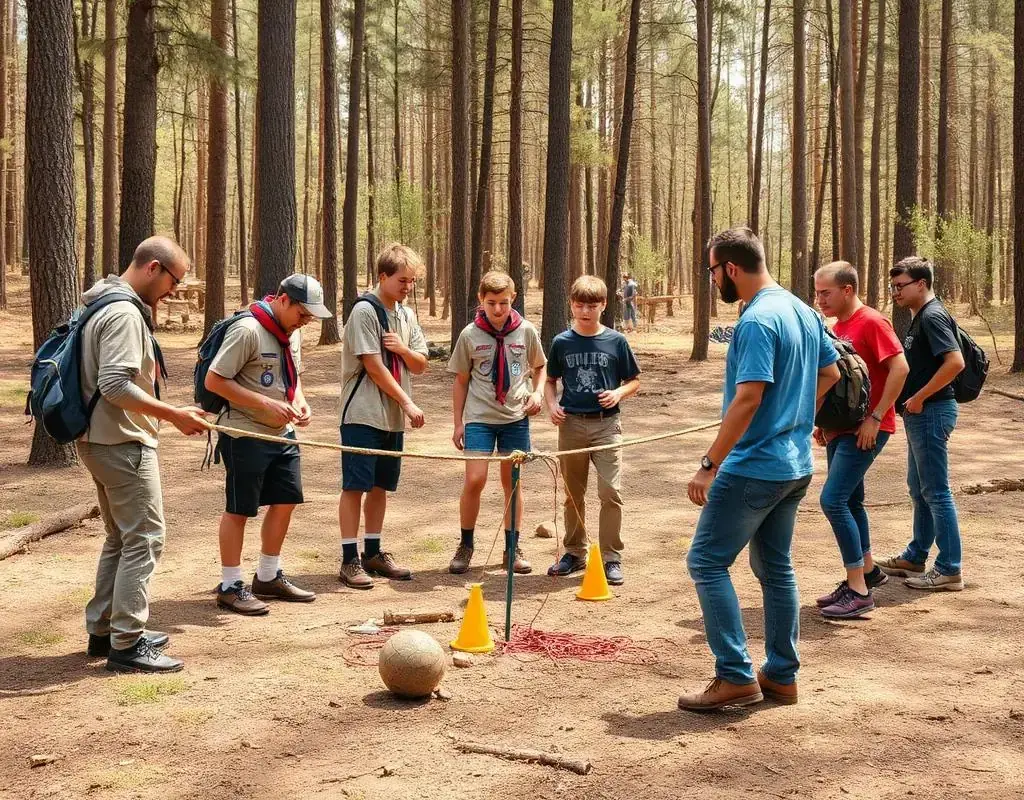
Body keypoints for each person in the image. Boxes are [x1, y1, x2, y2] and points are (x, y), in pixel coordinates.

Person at [678, 228, 840, 712]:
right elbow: (830, 373)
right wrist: (794, 416)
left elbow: (748, 396)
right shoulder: (802, 310)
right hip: (795, 465)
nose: (713, 281)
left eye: (712, 271)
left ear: (730, 268)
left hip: (755, 467)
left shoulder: (757, 321)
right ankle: (782, 676)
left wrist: (709, 464)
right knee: (775, 567)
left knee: (706, 562)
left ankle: (734, 675)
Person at [79, 236, 209, 673]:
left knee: (120, 538)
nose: (174, 289)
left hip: (101, 440)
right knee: (145, 539)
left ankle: (104, 631)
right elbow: (114, 385)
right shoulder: (123, 313)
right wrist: (172, 414)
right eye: (175, 279)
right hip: (122, 443)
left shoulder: (104, 300)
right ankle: (128, 643)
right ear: (154, 268)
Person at [205, 274, 332, 615]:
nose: (306, 322)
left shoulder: (293, 334)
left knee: (285, 500)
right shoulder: (247, 331)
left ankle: (267, 575)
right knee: (240, 508)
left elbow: (294, 376)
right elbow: (215, 380)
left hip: (284, 434)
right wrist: (264, 403)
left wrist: (300, 403)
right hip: (245, 433)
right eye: (303, 314)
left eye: (311, 317)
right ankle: (230, 584)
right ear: (284, 300)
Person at [813, 262, 909, 618]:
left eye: (826, 292)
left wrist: (876, 416)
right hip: (842, 427)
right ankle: (867, 572)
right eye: (818, 292)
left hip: (868, 429)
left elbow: (901, 369)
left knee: (833, 500)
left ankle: (858, 592)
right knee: (851, 501)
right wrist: (825, 422)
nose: (820, 299)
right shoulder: (838, 327)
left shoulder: (872, 321)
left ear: (848, 290)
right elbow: (838, 379)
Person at [337, 243, 429, 589]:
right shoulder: (364, 311)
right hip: (363, 414)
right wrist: (407, 403)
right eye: (403, 280)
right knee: (356, 485)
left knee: (380, 486)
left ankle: (373, 552)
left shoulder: (405, 315)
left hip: (391, 418)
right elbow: (373, 365)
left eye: (413, 281)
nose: (408, 287)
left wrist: (403, 349)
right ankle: (349, 559)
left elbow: (421, 363)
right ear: (383, 276)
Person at [447, 271, 547, 575]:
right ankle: (466, 544)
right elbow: (461, 381)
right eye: (491, 303)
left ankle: (512, 548)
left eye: (504, 302)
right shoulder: (469, 335)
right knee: (475, 480)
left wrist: (539, 392)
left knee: (513, 484)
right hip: (479, 418)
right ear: (481, 300)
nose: (498, 309)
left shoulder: (526, 331)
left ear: (513, 299)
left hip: (515, 418)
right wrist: (458, 423)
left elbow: (540, 367)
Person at [545, 275, 641, 587]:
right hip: (571, 424)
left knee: (610, 491)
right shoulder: (562, 342)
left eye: (592, 305)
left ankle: (612, 557)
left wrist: (618, 394)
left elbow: (634, 381)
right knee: (573, 494)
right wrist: (552, 405)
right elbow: (549, 381)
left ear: (602, 305)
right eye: (579, 305)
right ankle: (574, 553)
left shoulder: (616, 341)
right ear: (571, 305)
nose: (585, 311)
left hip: (607, 425)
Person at [877, 257, 965, 591]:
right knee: (919, 488)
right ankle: (916, 555)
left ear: (922, 284)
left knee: (936, 491)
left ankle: (949, 568)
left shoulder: (932, 316)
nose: (895, 292)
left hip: (931, 413)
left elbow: (954, 362)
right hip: (921, 415)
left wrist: (921, 397)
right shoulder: (920, 317)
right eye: (893, 286)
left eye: (901, 286)